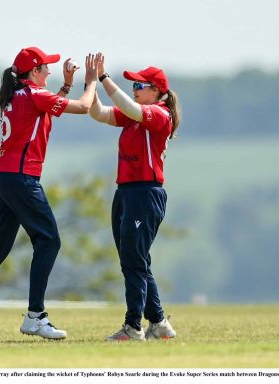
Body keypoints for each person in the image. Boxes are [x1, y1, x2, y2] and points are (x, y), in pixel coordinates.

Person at [0, 47, 99, 342]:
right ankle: (35, 317)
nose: (50, 71)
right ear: (33, 72)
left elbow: (46, 107)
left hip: (2, 175)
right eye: (46, 67)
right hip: (21, 177)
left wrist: (65, 85)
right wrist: (90, 82)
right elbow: (82, 107)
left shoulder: (17, 95)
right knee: (49, 240)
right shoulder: (35, 95)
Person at [89, 54, 181, 341]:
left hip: (145, 193)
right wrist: (91, 83)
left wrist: (104, 79)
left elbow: (127, 106)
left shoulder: (158, 113)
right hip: (126, 192)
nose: (135, 89)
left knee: (133, 259)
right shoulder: (134, 113)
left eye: (140, 85)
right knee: (135, 259)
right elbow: (100, 113)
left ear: (156, 90)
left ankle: (133, 327)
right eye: (134, 85)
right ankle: (160, 324)